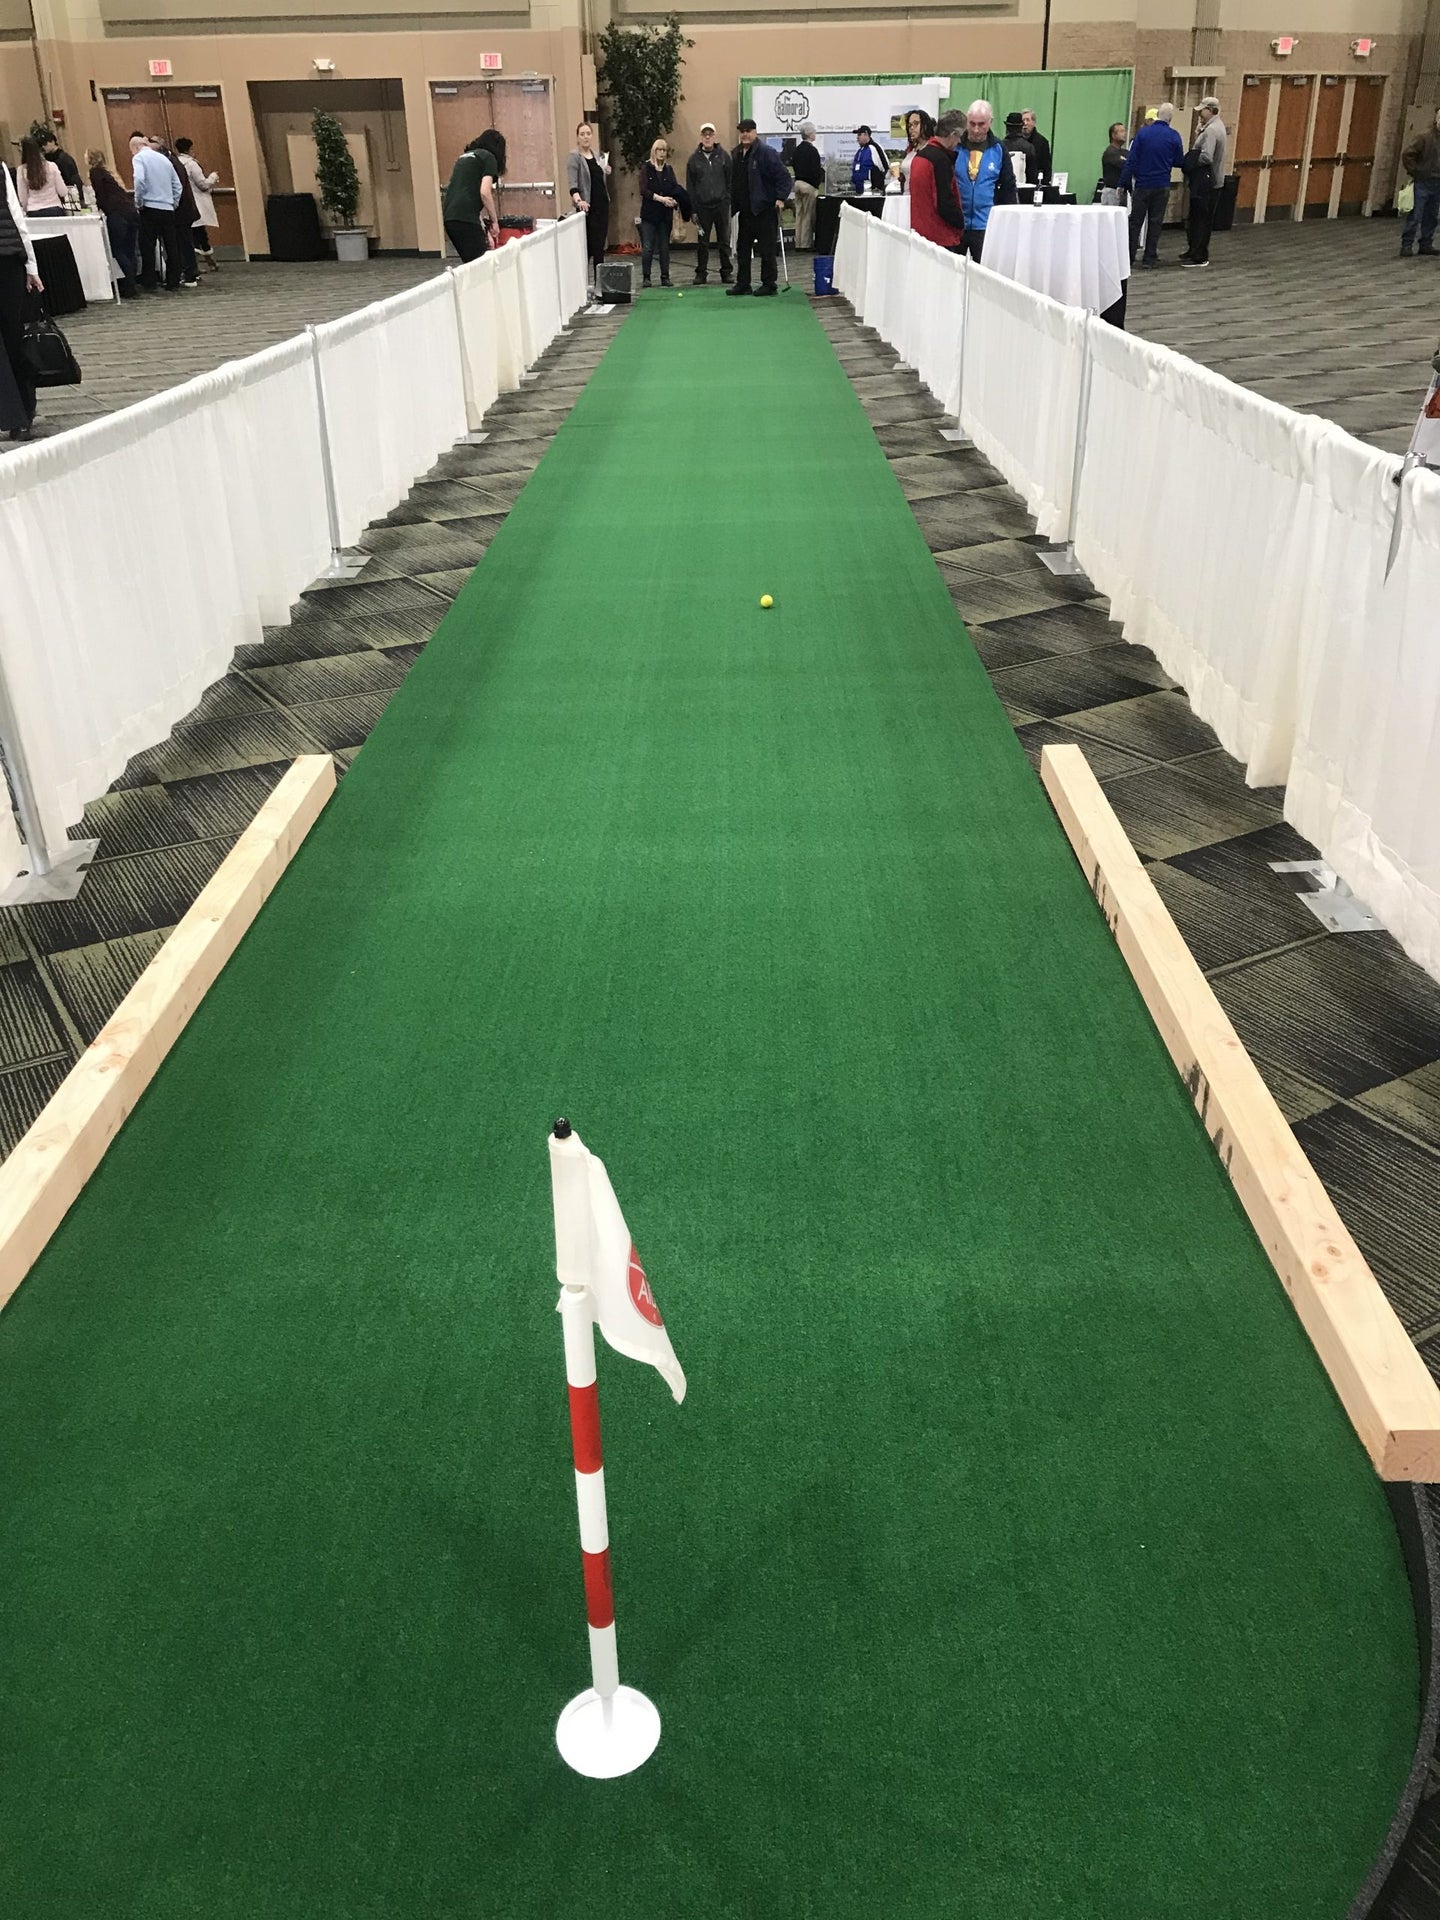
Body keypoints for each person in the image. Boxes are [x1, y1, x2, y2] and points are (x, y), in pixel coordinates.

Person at [0, 158, 43, 438]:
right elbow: (16, 217)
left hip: (7, 259)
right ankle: (22, 416)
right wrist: (31, 266)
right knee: (12, 337)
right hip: (8, 260)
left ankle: (14, 414)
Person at [728, 118, 792, 297]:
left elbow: (784, 177)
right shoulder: (736, 154)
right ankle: (743, 284)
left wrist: (780, 198)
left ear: (755, 132)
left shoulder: (766, 152)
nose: (745, 134)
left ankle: (769, 284)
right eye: (742, 131)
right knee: (742, 249)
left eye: (748, 131)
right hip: (745, 211)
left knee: (767, 250)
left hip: (764, 210)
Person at [1120, 103, 1183, 266]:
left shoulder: (1143, 134)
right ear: (1170, 118)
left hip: (1142, 184)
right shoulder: (1174, 136)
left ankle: (1129, 257)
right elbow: (1179, 161)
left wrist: (1123, 182)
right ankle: (1149, 257)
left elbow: (1131, 161)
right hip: (1162, 184)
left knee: (1135, 222)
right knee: (1155, 222)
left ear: (1157, 116)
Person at [954, 101, 1016, 261]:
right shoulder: (954, 146)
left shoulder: (999, 149)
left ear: (990, 123)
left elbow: (1009, 186)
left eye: (981, 124)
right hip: (956, 224)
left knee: (985, 271)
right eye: (972, 124)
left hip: (986, 225)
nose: (976, 130)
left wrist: (1008, 222)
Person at [907, 110, 966, 253]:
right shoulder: (940, 160)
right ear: (953, 134)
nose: (959, 142)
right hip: (940, 237)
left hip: (920, 235)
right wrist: (960, 222)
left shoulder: (919, 156)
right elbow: (944, 203)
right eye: (959, 137)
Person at [131, 130, 182, 290]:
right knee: (171, 245)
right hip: (167, 208)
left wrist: (138, 202)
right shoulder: (164, 159)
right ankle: (173, 281)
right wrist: (173, 203)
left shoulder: (139, 158)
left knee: (147, 247)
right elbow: (177, 185)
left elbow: (139, 180)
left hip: (149, 208)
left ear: (135, 147)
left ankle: (150, 280)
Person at [1180, 97, 1227, 268]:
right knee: (1198, 218)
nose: (1200, 113)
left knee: (1201, 219)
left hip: (1206, 183)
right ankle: (1194, 250)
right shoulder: (1214, 127)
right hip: (1211, 181)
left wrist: (1190, 161)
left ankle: (1199, 255)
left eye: (1202, 110)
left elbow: (1207, 156)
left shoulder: (1211, 130)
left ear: (1211, 110)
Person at [442, 130, 502, 262]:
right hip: (466, 219)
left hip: (450, 218)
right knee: (481, 264)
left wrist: (484, 231)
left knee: (472, 263)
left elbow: (467, 199)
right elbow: (485, 193)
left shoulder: (464, 158)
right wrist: (495, 221)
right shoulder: (489, 157)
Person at [86, 147, 140, 294]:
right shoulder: (110, 173)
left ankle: (129, 282)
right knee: (130, 249)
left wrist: (99, 207)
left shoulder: (95, 173)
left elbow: (100, 195)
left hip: (117, 213)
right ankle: (132, 281)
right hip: (130, 211)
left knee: (118, 249)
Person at [566, 121, 611, 295]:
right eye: (582, 134)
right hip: (587, 209)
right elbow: (573, 184)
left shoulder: (597, 155)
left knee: (600, 248)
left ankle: (600, 286)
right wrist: (579, 201)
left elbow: (598, 180)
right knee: (588, 249)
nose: (585, 137)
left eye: (588, 134)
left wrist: (605, 170)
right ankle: (581, 286)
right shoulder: (574, 157)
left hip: (602, 207)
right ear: (577, 137)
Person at [685, 122, 732, 282]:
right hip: (702, 207)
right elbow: (690, 186)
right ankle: (701, 273)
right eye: (704, 134)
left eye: (710, 134)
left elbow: (730, 180)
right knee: (702, 242)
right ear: (701, 137)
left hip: (721, 206)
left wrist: (727, 200)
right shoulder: (693, 160)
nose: (707, 137)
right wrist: (693, 210)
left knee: (724, 241)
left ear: (714, 136)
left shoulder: (724, 157)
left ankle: (726, 272)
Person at [638, 138, 681, 288]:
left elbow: (674, 188)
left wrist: (674, 200)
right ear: (654, 151)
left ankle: (665, 276)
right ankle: (646, 277)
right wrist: (661, 199)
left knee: (664, 247)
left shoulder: (669, 170)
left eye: (664, 150)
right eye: (659, 150)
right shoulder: (646, 168)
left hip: (665, 215)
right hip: (649, 215)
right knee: (648, 247)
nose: (662, 153)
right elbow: (644, 190)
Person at [174, 137, 220, 272]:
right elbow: (202, 184)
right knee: (199, 234)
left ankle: (199, 264)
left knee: (191, 235)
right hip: (197, 203)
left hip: (183, 204)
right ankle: (204, 263)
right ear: (189, 149)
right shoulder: (191, 164)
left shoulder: (175, 163)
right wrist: (213, 177)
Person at [1400, 106, 1440, 258]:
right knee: (1415, 215)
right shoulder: (1424, 137)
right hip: (1422, 182)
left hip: (1438, 183)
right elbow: (1408, 154)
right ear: (1436, 119)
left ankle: (1426, 244)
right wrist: (1416, 172)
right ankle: (1407, 245)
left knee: (1432, 216)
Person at [789, 120, 823, 249]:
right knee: (808, 215)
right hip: (809, 185)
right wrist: (816, 183)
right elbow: (816, 170)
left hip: (797, 183)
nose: (815, 134)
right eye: (814, 132)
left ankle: (797, 242)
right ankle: (805, 244)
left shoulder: (797, 150)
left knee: (799, 214)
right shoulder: (812, 151)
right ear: (809, 134)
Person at [16, 136, 67, 217]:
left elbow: (23, 198)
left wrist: (26, 210)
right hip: (54, 208)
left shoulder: (21, 170)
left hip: (33, 210)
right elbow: (63, 192)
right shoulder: (51, 166)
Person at [900, 109, 936, 188]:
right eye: (910, 125)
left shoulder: (933, 149)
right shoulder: (910, 149)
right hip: (906, 193)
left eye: (916, 123)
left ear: (925, 125)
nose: (912, 128)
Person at [850, 126, 888, 194]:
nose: (857, 137)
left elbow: (885, 167)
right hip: (859, 191)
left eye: (859, 135)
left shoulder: (874, 147)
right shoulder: (860, 151)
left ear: (866, 134)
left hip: (871, 191)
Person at [1002, 112, 1037, 186]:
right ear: (1021, 127)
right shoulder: (1029, 147)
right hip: (1024, 190)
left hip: (1004, 188)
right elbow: (1032, 176)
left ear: (1007, 128)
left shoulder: (1000, 147)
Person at [1020, 110, 1053, 184]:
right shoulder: (1016, 141)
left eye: (1028, 120)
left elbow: (1047, 167)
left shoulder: (1042, 142)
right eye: (1023, 120)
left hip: (1036, 183)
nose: (1025, 123)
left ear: (1034, 122)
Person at [1101, 123, 1129, 192]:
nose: (1125, 134)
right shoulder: (1110, 152)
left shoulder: (1125, 152)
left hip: (1122, 191)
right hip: (1112, 191)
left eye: (1124, 131)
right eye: (1121, 131)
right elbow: (1126, 165)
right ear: (1113, 135)